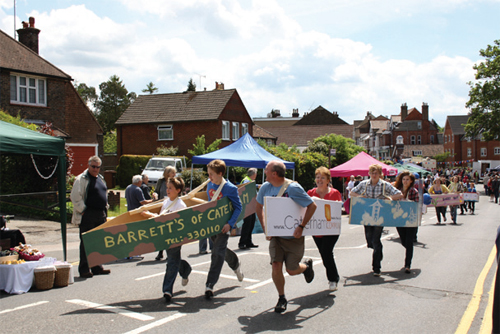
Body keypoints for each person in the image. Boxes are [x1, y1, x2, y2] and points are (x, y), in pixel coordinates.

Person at [256, 160, 317, 313]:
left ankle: (306, 268)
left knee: (291, 269)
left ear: (274, 173)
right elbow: (258, 207)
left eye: (266, 170)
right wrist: (266, 229)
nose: (264, 172)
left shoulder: (293, 188)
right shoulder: (265, 187)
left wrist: (301, 227)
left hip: (293, 238)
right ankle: (281, 297)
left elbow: (312, 206)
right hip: (276, 237)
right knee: (276, 265)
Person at [141, 177, 192, 302]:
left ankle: (167, 290)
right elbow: (161, 218)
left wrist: (151, 215)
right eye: (167, 187)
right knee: (173, 259)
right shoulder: (165, 202)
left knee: (171, 262)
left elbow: (181, 222)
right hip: (165, 236)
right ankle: (185, 269)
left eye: (170, 188)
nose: (167, 190)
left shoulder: (181, 205)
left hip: (175, 237)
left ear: (178, 190)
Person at [350, 164, 403, 276]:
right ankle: (378, 251)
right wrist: (360, 197)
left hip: (380, 216)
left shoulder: (385, 185)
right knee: (370, 241)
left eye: (376, 173)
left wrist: (390, 198)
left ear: (380, 174)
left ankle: (376, 267)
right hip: (367, 216)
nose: (374, 175)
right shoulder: (364, 184)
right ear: (369, 174)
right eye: (372, 173)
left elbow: (399, 194)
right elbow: (351, 193)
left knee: (376, 239)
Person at [204, 159, 244, 299]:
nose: (209, 177)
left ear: (220, 173)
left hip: (224, 227)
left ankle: (210, 285)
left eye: (212, 174)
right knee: (219, 251)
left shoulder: (230, 188)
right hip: (212, 227)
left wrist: (230, 224)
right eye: (208, 174)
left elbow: (238, 207)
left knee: (216, 254)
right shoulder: (209, 185)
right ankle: (235, 264)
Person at [70, 156, 111, 278]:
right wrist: (83, 211)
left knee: (98, 242)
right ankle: (84, 269)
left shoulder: (101, 178)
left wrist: (105, 207)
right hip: (88, 214)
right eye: (93, 166)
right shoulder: (81, 179)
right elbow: (75, 197)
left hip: (100, 214)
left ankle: (97, 267)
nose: (95, 169)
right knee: (86, 243)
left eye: (98, 167)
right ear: (88, 166)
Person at [307, 167, 342, 291]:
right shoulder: (310, 193)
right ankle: (334, 277)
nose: (319, 180)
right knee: (324, 254)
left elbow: (338, 211)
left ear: (328, 180)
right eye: (317, 177)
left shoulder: (335, 193)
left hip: (331, 230)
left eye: (322, 177)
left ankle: (333, 279)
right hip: (316, 230)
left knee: (327, 252)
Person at [393, 171, 419, 273]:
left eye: (407, 179)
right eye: (404, 179)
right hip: (399, 219)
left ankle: (407, 264)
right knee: (403, 241)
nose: (405, 181)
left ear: (411, 181)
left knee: (409, 242)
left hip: (410, 220)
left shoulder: (413, 191)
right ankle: (409, 249)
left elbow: (416, 205)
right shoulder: (397, 190)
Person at [154, 167, 178, 261]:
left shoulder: (175, 182)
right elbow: (156, 190)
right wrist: (155, 194)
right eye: (173, 173)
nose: (174, 175)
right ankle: (160, 252)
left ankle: (169, 253)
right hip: (162, 205)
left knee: (169, 231)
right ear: (167, 173)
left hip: (171, 206)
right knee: (162, 231)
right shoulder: (160, 181)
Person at [239, 168, 259, 249]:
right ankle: (242, 242)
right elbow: (247, 187)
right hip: (246, 206)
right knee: (247, 224)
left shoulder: (249, 180)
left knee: (251, 223)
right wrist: (257, 186)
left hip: (251, 206)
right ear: (254, 174)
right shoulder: (246, 180)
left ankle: (248, 242)